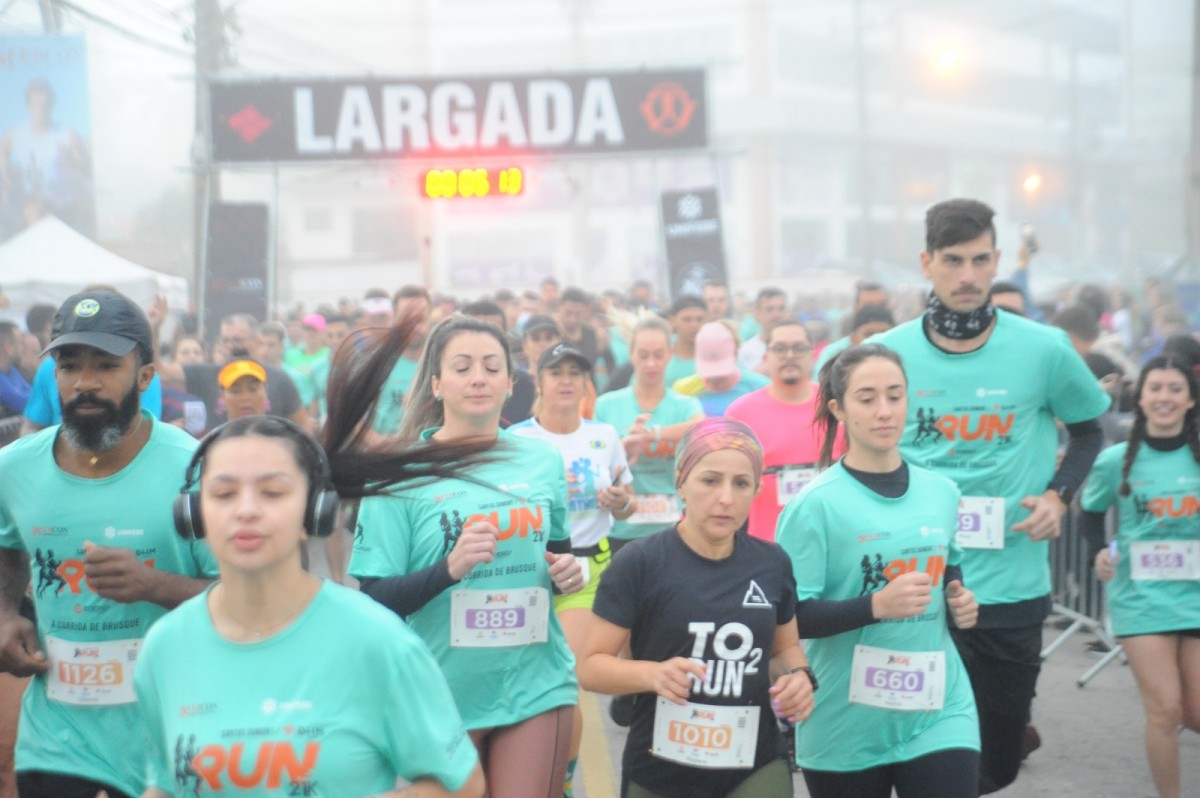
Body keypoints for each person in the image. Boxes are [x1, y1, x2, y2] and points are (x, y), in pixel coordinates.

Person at [872, 198, 1111, 794]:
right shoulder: (886, 356)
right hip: (912, 587)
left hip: (1009, 588)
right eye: (953, 261)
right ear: (927, 262)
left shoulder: (1045, 349)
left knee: (997, 759)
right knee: (918, 753)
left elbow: (1088, 431)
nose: (969, 275)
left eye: (980, 260)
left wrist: (1059, 496)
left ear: (997, 259)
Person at [135, 416, 485, 798]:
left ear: (313, 512)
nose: (246, 510)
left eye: (272, 492)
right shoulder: (166, 647)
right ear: (194, 514)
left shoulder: (375, 640)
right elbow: (165, 785)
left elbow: (461, 786)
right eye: (224, 494)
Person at [337, 315, 585, 798]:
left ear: (512, 383)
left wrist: (567, 574)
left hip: (536, 681)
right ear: (436, 383)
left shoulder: (541, 459)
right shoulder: (399, 474)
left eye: (493, 367)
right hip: (441, 694)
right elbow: (374, 600)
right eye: (463, 366)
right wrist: (448, 570)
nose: (479, 378)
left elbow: (555, 558)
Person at [0, 290, 215, 798]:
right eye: (70, 366)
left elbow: (248, 602)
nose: (86, 383)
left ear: (145, 375)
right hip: (57, 742)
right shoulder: (15, 468)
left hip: (174, 740)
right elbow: (6, 543)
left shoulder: (198, 468)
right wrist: (6, 610)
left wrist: (153, 584)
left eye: (106, 366)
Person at [776, 344, 981, 798]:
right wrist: (875, 606)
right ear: (839, 409)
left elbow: (949, 571)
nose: (884, 411)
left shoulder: (942, 491)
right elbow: (788, 619)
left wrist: (960, 600)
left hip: (939, 709)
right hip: (844, 719)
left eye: (895, 395)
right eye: (867, 399)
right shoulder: (815, 505)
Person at [578, 417, 816, 798]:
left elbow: (783, 650)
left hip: (753, 765)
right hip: (661, 770)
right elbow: (590, 667)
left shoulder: (772, 563)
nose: (726, 498)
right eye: (710, 480)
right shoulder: (639, 562)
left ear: (756, 489)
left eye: (741, 484)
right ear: (681, 482)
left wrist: (800, 677)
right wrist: (653, 675)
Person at [509, 343, 635, 798]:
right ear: (538, 383)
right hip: (528, 570)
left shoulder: (603, 435)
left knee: (566, 679)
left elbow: (628, 503)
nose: (565, 380)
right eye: (555, 372)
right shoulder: (517, 439)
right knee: (530, 684)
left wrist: (622, 503)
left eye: (574, 373)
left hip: (587, 569)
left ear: (585, 383)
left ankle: (562, 781)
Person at [1081, 356, 1200, 798]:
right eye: (1156, 389)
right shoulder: (1116, 460)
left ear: (1190, 400)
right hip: (1142, 598)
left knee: (1195, 713)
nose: (1164, 398)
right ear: (1142, 396)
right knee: (1165, 710)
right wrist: (1098, 554)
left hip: (1195, 596)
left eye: (1174, 389)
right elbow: (1090, 513)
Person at [595, 316, 704, 550]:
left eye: (658, 354)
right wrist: (623, 446)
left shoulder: (684, 405)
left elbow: (701, 428)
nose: (651, 363)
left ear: (670, 353)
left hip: (675, 527)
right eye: (643, 355)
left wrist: (651, 435)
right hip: (621, 530)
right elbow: (596, 462)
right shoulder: (606, 405)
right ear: (631, 353)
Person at [727, 320, 839, 541]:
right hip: (765, 545)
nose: (790, 355)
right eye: (780, 348)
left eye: (798, 348)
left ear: (812, 355)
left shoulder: (837, 407)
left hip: (831, 540)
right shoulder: (740, 413)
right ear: (766, 358)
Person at [673, 322, 768, 417]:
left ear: (735, 355)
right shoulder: (682, 391)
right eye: (709, 371)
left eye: (722, 371)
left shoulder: (761, 388)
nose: (716, 377)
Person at [736, 287, 788, 372]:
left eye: (781, 309)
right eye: (769, 309)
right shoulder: (744, 352)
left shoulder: (797, 349)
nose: (777, 314)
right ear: (757, 314)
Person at [664, 295, 707, 385]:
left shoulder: (718, 359)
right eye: (687, 319)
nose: (694, 325)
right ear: (672, 321)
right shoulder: (660, 358)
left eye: (699, 319)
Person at [0, 322, 30, 416]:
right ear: (8, 349)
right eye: (21, 343)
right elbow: (21, 402)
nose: (24, 348)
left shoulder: (11, 371)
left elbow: (34, 394)